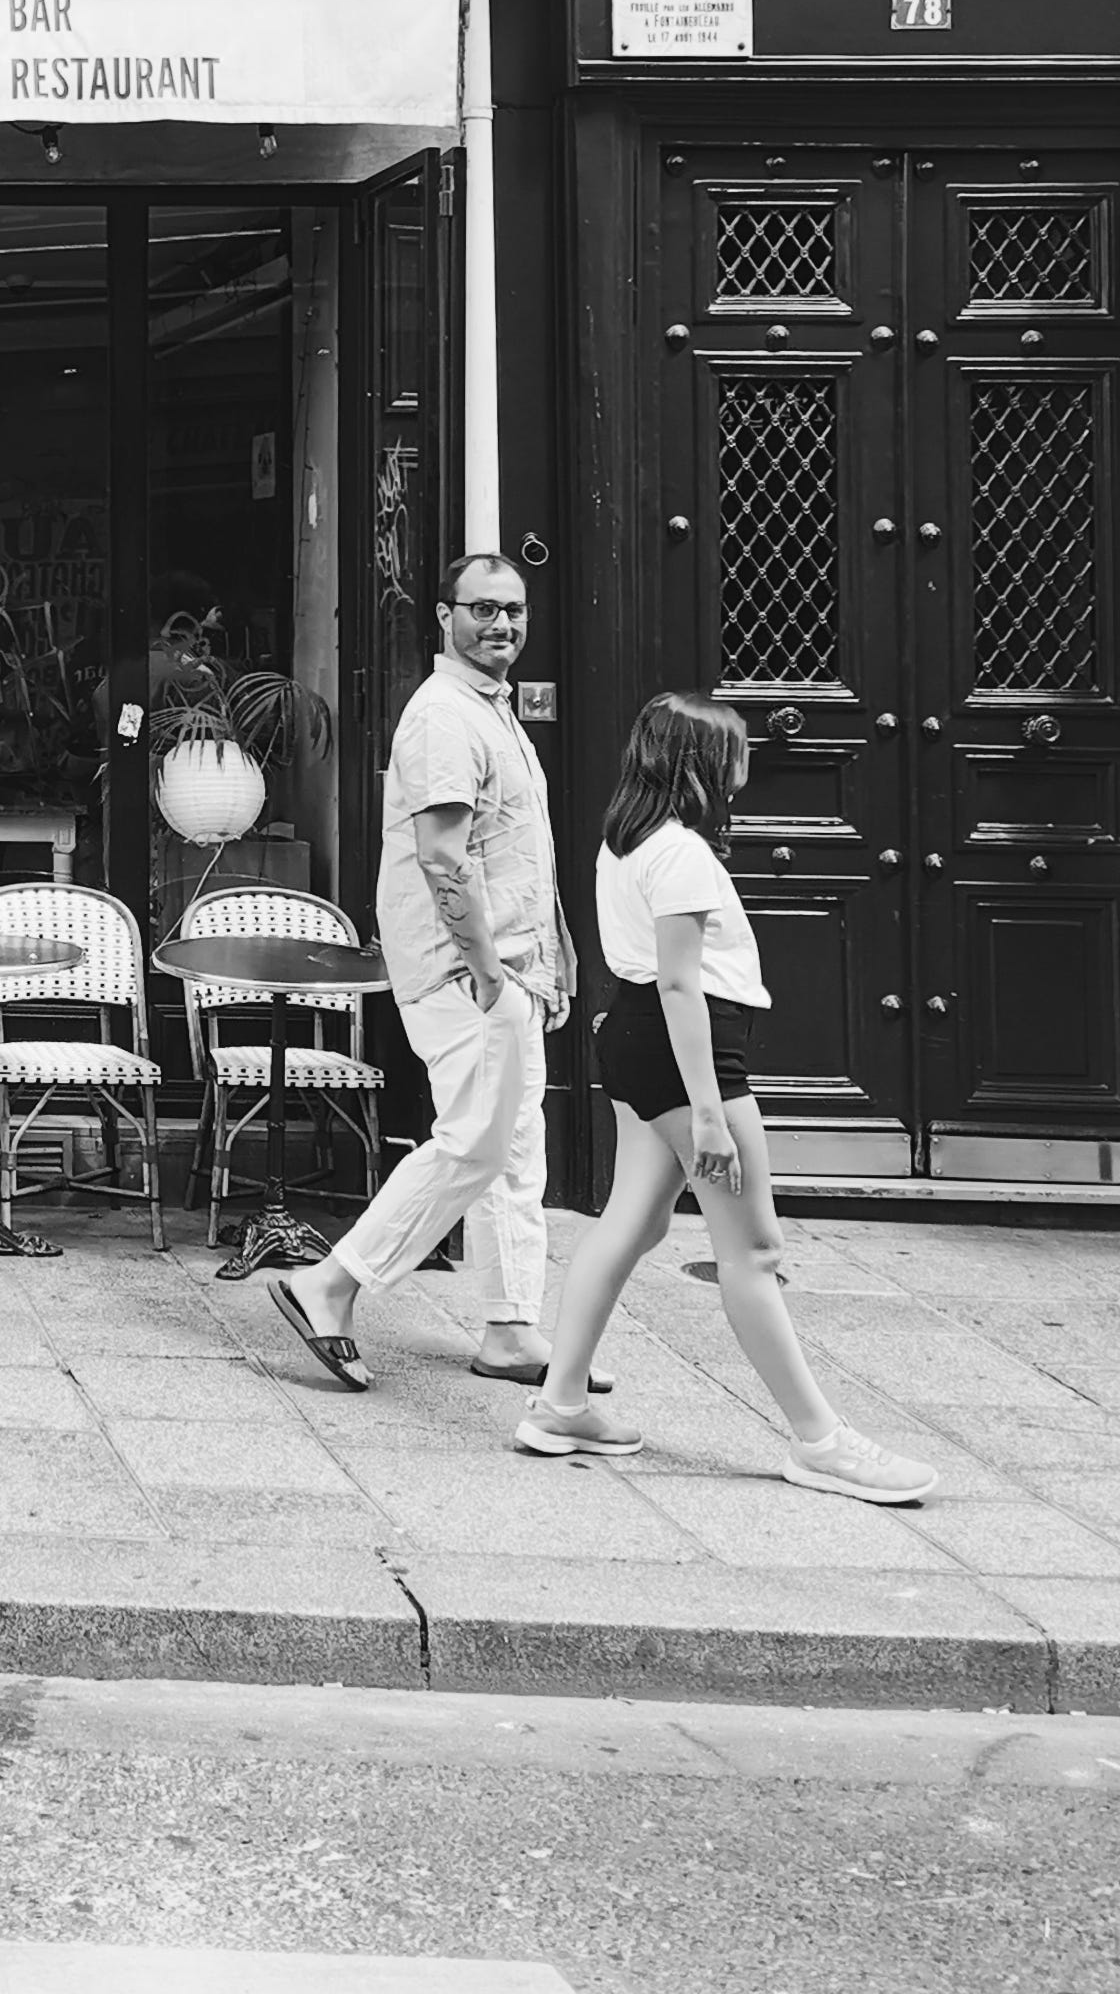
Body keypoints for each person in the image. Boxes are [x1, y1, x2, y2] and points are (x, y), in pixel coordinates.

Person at [516, 690, 934, 1504]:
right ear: (704, 764)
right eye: (736, 753)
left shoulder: (627, 841)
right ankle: (820, 1441)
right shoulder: (680, 854)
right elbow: (679, 983)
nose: (746, 767)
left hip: (645, 1043)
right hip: (684, 1055)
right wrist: (708, 1107)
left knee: (630, 1224)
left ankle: (561, 1405)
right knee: (754, 1252)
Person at [274, 552, 597, 1394]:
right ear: (444, 618)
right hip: (469, 972)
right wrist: (488, 968)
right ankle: (331, 1283)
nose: (502, 625)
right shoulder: (445, 715)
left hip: (512, 970)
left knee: (515, 1150)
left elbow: (517, 854)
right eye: (483, 609)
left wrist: (550, 956)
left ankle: (510, 1327)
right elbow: (443, 858)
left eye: (514, 610)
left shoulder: (493, 710)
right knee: (474, 1144)